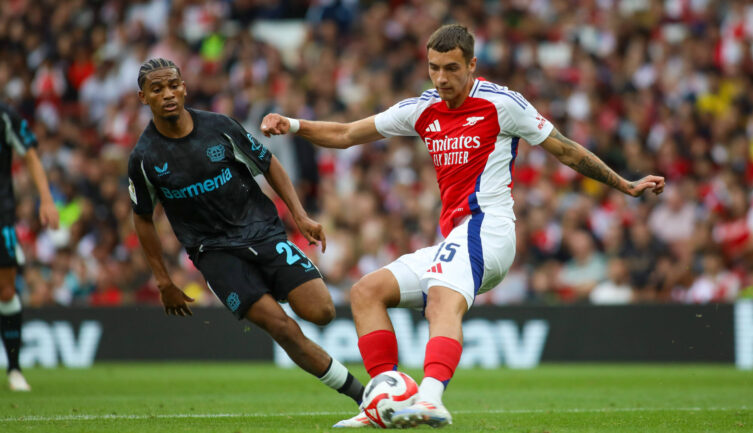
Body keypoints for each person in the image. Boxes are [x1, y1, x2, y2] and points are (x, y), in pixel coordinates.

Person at [260, 24, 665, 428]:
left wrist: (624, 184)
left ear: (472, 64)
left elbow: (565, 149)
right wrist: (294, 125)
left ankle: (431, 397)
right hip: (457, 236)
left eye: (452, 68)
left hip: (490, 228)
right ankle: (382, 398)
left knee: (440, 300)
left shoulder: (501, 103)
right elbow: (347, 133)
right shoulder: (423, 108)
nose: (441, 78)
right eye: (434, 68)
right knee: (367, 291)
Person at [127, 58, 364, 408]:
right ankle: (363, 395)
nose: (168, 94)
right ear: (143, 97)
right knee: (282, 328)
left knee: (322, 311)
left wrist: (300, 215)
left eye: (173, 85)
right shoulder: (144, 158)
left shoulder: (219, 127)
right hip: (214, 253)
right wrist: (163, 280)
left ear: (184, 87)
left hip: (263, 233)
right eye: (157, 89)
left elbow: (268, 163)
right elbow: (143, 218)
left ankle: (271, 285)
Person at [0, 102, 59, 391]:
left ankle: (14, 369)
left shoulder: (5, 115)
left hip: (1, 215)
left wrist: (46, 200)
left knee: (7, 289)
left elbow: (31, 156)